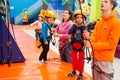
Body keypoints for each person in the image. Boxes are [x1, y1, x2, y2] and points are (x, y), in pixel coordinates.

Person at [83, 0, 120, 80]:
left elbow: (111, 44)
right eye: (102, 1)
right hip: (95, 58)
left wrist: (91, 45)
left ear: (111, 6)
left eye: (106, 1)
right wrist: (88, 38)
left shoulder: (116, 23)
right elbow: (94, 38)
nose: (102, 3)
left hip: (105, 60)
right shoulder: (99, 23)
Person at [67, 10, 87, 80]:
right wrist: (74, 25)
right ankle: (74, 71)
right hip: (74, 45)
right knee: (74, 59)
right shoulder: (74, 26)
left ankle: (81, 73)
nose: (79, 19)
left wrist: (84, 27)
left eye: (81, 18)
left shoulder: (84, 27)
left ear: (83, 19)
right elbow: (69, 32)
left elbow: (86, 36)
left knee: (81, 60)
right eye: (77, 17)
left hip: (81, 46)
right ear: (75, 18)